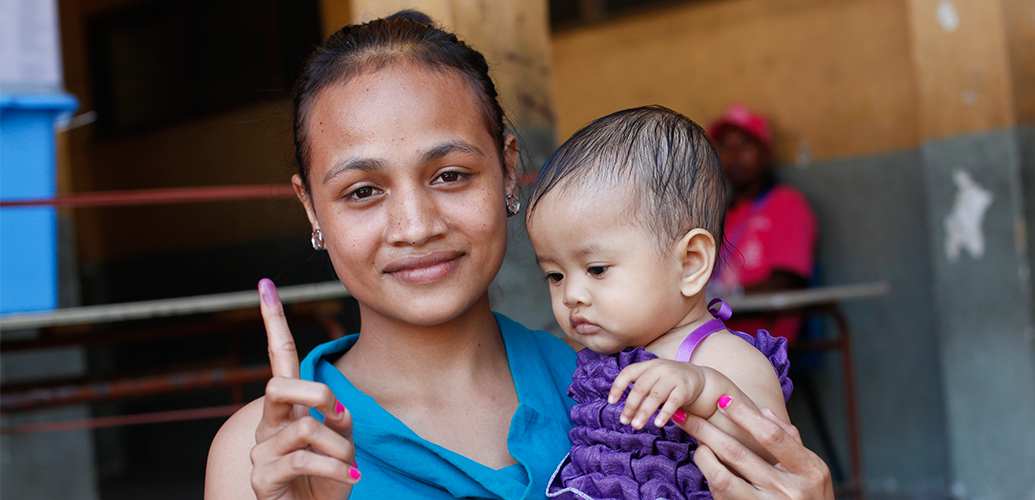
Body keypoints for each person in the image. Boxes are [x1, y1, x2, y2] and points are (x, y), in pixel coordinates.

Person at [205, 12, 833, 500]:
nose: (415, 226)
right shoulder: (267, 455)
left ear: (508, 171)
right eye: (362, 191)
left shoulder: (627, 395)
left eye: (450, 175)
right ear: (312, 209)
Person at [526, 106, 794, 500]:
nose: (571, 295)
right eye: (555, 275)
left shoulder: (718, 355)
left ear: (690, 264)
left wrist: (704, 390)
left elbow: (773, 452)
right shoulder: (601, 360)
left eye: (596, 269)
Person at [708, 104, 819, 346]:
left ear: (765, 153)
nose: (734, 155)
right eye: (725, 146)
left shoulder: (787, 205)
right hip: (714, 335)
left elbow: (787, 282)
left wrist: (726, 297)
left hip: (765, 339)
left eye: (745, 144)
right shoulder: (719, 214)